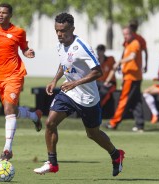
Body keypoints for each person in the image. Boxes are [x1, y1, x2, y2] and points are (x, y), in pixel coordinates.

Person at [33, 13, 125, 177]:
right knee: (50, 123)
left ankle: (116, 155)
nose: (60, 34)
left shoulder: (82, 47)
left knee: (93, 134)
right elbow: (64, 64)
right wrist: (55, 80)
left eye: (63, 31)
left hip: (88, 98)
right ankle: (52, 163)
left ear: (72, 29)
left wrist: (75, 83)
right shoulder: (60, 45)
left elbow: (98, 72)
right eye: (57, 31)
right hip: (68, 94)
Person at [0, 3, 43, 161]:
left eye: (4, 13)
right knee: (11, 110)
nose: (1, 15)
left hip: (14, 74)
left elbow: (24, 48)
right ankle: (34, 116)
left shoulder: (18, 32)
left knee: (8, 109)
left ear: (10, 15)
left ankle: (7, 149)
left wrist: (29, 52)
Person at [105, 26, 145, 132]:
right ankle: (140, 124)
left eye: (127, 34)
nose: (125, 36)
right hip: (132, 76)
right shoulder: (127, 44)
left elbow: (132, 57)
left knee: (124, 100)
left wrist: (119, 62)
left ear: (132, 34)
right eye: (124, 34)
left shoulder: (135, 43)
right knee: (136, 101)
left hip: (131, 77)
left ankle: (114, 123)